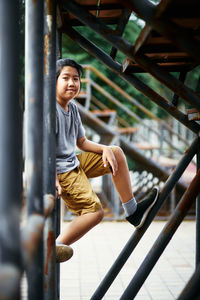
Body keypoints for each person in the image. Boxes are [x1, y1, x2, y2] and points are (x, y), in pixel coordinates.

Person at [55, 58, 159, 263]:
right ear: (54, 81)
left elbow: (82, 142)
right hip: (59, 170)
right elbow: (42, 148)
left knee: (117, 153)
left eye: (76, 79)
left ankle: (133, 212)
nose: (71, 83)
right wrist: (53, 179)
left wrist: (105, 149)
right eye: (65, 78)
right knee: (94, 212)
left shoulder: (73, 108)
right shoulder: (49, 109)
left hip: (73, 161)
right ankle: (54, 246)